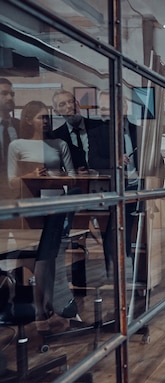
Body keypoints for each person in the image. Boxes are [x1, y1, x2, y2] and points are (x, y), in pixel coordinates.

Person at [6, 100, 76, 330]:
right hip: (28, 208)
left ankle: (46, 307)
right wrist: (32, 174)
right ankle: (33, 307)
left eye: (47, 117)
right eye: (40, 117)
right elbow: (10, 181)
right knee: (28, 260)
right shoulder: (17, 145)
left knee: (49, 259)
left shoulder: (59, 143)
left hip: (54, 207)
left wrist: (54, 177)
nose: (45, 121)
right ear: (28, 120)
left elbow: (72, 178)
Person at [88, 91, 140, 273]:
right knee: (114, 234)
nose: (103, 113)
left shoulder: (138, 130)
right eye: (101, 108)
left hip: (139, 189)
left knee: (139, 234)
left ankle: (137, 273)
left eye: (106, 108)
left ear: (123, 108)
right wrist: (116, 160)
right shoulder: (96, 133)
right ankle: (115, 274)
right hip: (114, 190)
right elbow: (93, 161)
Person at [51, 89, 102, 172]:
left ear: (77, 104)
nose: (69, 106)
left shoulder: (99, 126)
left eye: (71, 101)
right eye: (62, 104)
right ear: (56, 112)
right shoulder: (56, 136)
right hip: (75, 183)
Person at [0, 77, 20, 200]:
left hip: (18, 191)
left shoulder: (20, 126)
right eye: (4, 93)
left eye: (12, 94)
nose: (10, 98)